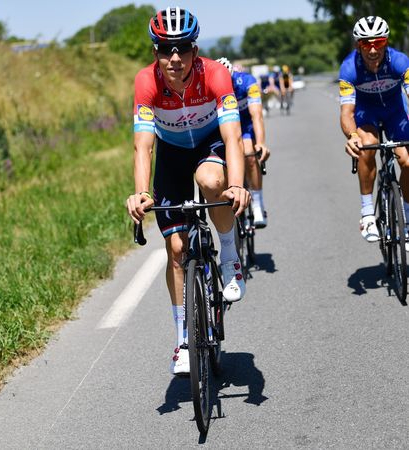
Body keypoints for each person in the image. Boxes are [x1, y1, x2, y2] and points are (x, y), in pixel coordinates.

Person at [126, 7, 250, 376]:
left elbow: (232, 137)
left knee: (211, 181)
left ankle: (230, 257)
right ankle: (183, 340)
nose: (175, 58)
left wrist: (236, 184)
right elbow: (143, 147)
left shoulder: (215, 75)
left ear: (195, 50)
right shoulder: (146, 82)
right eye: (166, 49)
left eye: (182, 48)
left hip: (210, 144)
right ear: (156, 52)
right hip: (172, 153)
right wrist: (140, 192)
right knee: (177, 250)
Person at [339, 16, 409, 244]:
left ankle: (407, 215)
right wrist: (352, 136)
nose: (372, 50)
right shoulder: (349, 68)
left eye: (378, 43)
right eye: (365, 43)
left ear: (386, 42)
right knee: (366, 146)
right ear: (357, 45)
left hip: (396, 112)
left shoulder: (400, 62)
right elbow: (347, 113)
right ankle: (368, 212)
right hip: (366, 113)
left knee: (407, 161)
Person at [216, 57, 270, 227]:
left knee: (250, 156)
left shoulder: (247, 82)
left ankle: (258, 203)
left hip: (245, 125)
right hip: (223, 127)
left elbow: (257, 116)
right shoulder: (212, 86)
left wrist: (260, 142)